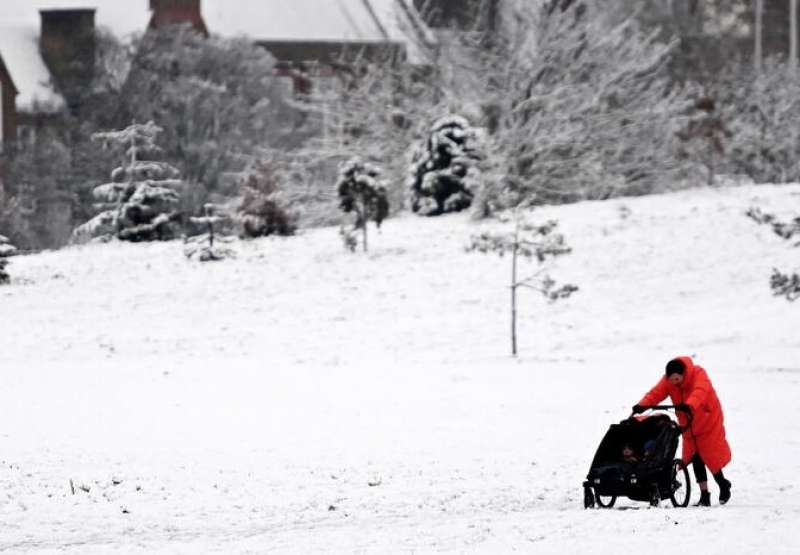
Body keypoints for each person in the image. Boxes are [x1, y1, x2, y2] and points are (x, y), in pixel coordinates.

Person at [632, 356, 732, 506]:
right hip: (689, 423)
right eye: (671, 380)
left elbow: (700, 391)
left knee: (710, 456)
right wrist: (642, 405)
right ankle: (705, 495)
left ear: (684, 374)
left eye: (677, 379)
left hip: (707, 420)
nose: (674, 383)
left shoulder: (699, 374)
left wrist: (689, 405)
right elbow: (656, 393)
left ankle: (723, 485)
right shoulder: (668, 381)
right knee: (695, 457)